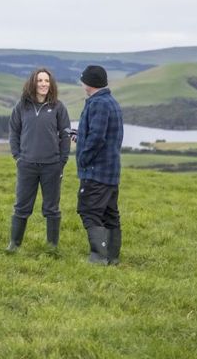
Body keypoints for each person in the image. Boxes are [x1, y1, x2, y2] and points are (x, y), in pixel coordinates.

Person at [7, 67, 72, 252]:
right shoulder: (22, 106)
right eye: (39, 80)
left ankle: (52, 247)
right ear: (33, 83)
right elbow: (14, 132)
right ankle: (14, 244)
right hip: (26, 164)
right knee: (21, 206)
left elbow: (66, 135)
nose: (43, 84)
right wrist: (17, 157)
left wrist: (62, 161)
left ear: (50, 84)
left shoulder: (58, 107)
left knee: (52, 208)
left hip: (52, 165)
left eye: (46, 81)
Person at [75, 64, 124, 265]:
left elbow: (97, 137)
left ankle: (98, 257)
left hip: (97, 171)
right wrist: (79, 137)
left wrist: (84, 159)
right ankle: (112, 257)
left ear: (89, 82)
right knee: (109, 213)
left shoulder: (99, 104)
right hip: (110, 171)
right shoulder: (110, 101)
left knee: (89, 210)